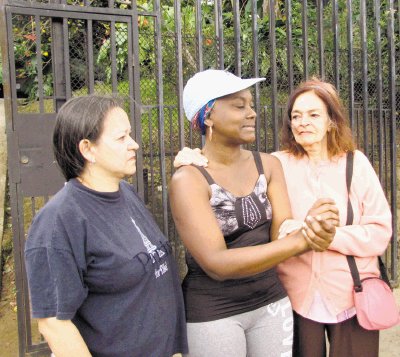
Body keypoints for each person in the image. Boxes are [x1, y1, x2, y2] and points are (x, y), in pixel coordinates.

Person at [174, 77, 393, 357]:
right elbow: (222, 168)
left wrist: (327, 236)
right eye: (296, 116)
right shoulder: (277, 163)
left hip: (351, 293)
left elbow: (379, 232)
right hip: (296, 296)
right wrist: (188, 154)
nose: (303, 122)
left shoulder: (355, 163)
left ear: (331, 122)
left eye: (314, 115)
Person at [24, 95, 188, 357]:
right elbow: (55, 323)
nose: (134, 144)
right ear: (88, 149)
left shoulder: (125, 193)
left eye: (130, 135)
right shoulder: (59, 221)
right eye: (121, 138)